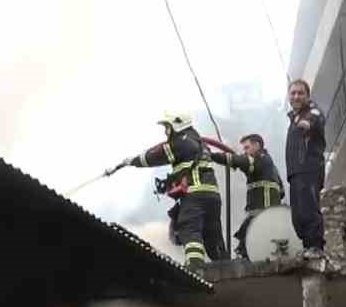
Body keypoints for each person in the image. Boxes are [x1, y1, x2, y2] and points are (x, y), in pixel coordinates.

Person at [111, 113, 227, 265]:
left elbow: (153, 157)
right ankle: (226, 266)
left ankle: (196, 266)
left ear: (177, 125)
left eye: (167, 127)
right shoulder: (201, 144)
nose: (166, 131)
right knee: (213, 235)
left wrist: (130, 161)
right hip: (213, 197)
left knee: (189, 230)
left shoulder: (180, 142)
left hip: (194, 195)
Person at [205, 133, 284, 259]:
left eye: (247, 148)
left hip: (262, 215)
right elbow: (282, 191)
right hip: (263, 215)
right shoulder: (270, 164)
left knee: (251, 245)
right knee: (249, 245)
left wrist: (212, 155)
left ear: (257, 145)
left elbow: (239, 160)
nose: (245, 152)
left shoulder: (261, 159)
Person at [284, 79, 327, 259]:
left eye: (300, 93)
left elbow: (315, 119)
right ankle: (308, 246)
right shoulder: (293, 118)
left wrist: (306, 123)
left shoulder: (312, 111)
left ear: (307, 96)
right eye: (293, 93)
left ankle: (315, 247)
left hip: (309, 169)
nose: (296, 96)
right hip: (295, 172)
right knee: (298, 215)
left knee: (309, 209)